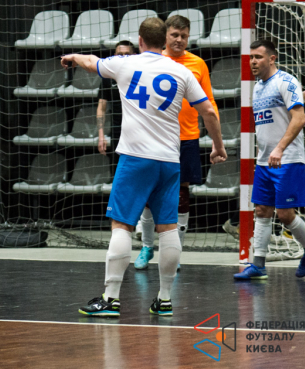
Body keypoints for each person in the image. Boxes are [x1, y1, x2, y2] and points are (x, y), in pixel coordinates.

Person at [61, 17, 226, 317]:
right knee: (168, 227)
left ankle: (111, 298)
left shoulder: (126, 64)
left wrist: (72, 56)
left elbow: (91, 62)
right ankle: (164, 299)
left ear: (140, 40)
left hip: (135, 158)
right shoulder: (182, 71)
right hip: (169, 160)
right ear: (165, 41)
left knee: (122, 224)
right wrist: (218, 145)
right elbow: (209, 112)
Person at [135, 15, 220, 271]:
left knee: (182, 195)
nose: (179, 40)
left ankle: (176, 251)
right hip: (155, 137)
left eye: (184, 36)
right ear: (165, 36)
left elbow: (209, 103)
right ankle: (147, 246)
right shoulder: (153, 60)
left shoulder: (198, 64)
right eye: (174, 35)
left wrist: (216, 140)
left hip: (187, 139)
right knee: (149, 192)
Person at [234, 39, 305, 280]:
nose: (253, 61)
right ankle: (258, 265)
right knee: (261, 210)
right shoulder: (258, 87)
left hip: (287, 159)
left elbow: (299, 119)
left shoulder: (286, 81)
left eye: (258, 57)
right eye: (251, 57)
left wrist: (279, 148)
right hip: (265, 161)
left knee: (285, 214)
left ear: (272, 58)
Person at [97, 41, 136, 156]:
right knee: (117, 166)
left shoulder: (141, 75)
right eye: (119, 54)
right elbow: (101, 108)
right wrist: (101, 136)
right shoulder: (108, 77)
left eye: (127, 54)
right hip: (117, 133)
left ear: (134, 55)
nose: (123, 57)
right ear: (114, 56)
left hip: (138, 132)